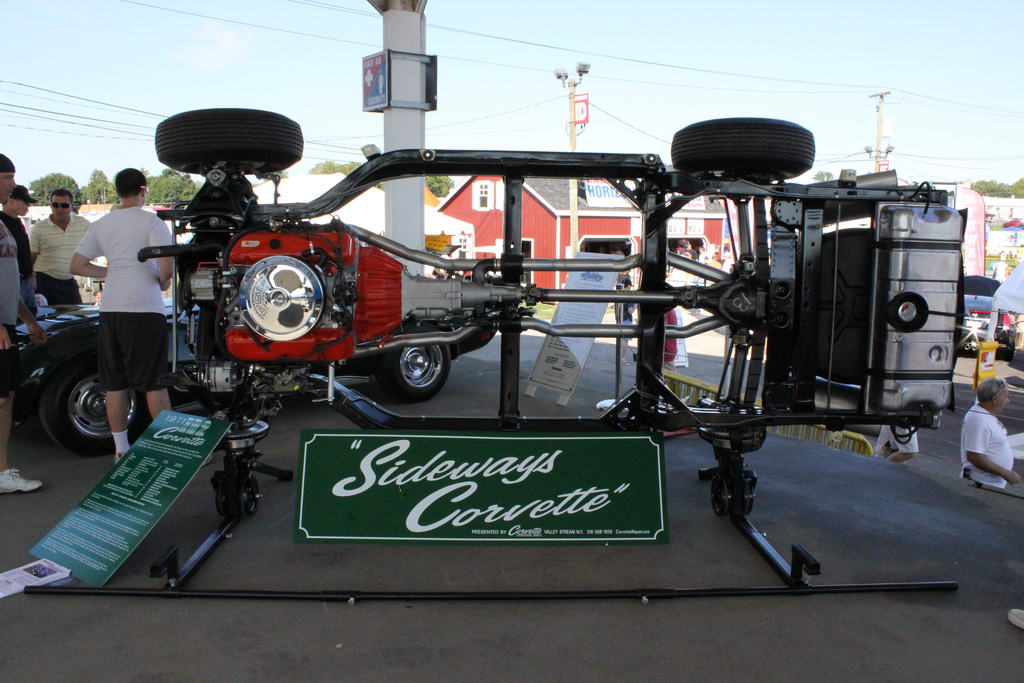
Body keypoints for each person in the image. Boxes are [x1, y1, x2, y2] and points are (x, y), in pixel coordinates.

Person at [69, 169, 172, 462]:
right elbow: (165, 270)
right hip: (144, 309)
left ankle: (121, 449)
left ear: (118, 192)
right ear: (143, 190)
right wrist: (163, 282)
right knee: (154, 382)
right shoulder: (151, 221)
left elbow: (76, 265)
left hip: (111, 309)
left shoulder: (102, 223)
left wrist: (109, 272)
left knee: (115, 383)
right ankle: (169, 448)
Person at [0, 154, 48, 494]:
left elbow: (7, 283)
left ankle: (2, 471)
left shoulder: (3, 224)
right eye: (7, 177)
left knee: (6, 398)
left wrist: (28, 321)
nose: (13, 185)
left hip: (8, 321)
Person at [29, 188, 90, 305]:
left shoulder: (83, 224)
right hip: (44, 281)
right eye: (56, 205)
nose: (60, 209)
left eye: (64, 205)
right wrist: (30, 279)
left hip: (69, 280)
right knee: (46, 319)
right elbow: (31, 257)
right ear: (50, 206)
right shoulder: (38, 228)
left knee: (76, 317)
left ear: (72, 206)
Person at [960, 377, 1021, 489]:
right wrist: (1005, 473)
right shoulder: (979, 420)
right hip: (981, 483)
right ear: (994, 399)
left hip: (987, 482)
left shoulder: (984, 415)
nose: (1008, 401)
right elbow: (974, 456)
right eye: (1006, 396)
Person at [0, 185, 36, 314]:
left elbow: (25, 251)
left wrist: (31, 274)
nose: (27, 206)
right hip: (11, 285)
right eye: (25, 202)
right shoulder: (2, 222)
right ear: (11, 200)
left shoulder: (18, 222)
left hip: (25, 283)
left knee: (30, 322)